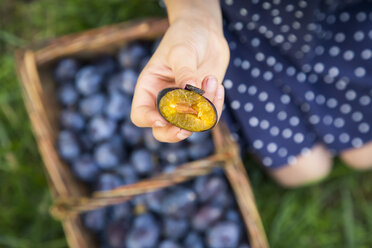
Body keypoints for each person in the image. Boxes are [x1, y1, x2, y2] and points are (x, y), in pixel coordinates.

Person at [131, 0, 372, 187]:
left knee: (365, 154)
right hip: (246, 25)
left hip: (340, 20)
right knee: (304, 170)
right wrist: (195, 18)